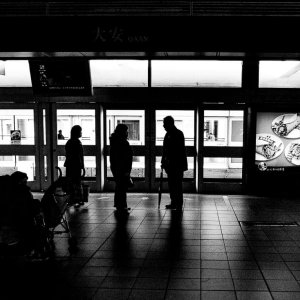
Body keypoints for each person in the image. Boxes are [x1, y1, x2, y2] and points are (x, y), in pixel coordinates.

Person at [10, 171, 47, 259]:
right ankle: (37, 252)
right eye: (24, 182)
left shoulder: (8, 191)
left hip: (15, 217)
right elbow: (29, 206)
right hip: (23, 219)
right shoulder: (23, 191)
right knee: (38, 229)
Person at [161, 116, 188, 211]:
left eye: (164, 124)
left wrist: (166, 160)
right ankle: (174, 202)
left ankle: (178, 203)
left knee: (176, 184)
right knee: (172, 184)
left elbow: (177, 151)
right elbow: (165, 150)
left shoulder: (176, 134)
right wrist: (163, 161)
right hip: (172, 165)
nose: (163, 126)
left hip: (177, 165)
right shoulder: (171, 134)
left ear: (170, 123)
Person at [110, 124, 133, 213]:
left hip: (116, 167)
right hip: (122, 168)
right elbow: (126, 157)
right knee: (122, 187)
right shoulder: (122, 142)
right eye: (126, 131)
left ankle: (120, 204)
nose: (127, 133)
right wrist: (127, 171)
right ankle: (122, 205)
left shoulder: (115, 141)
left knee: (119, 186)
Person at [64, 125, 85, 206]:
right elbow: (79, 155)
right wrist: (82, 166)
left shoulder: (69, 142)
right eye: (80, 131)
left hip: (69, 165)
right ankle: (78, 199)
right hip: (76, 165)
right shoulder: (77, 143)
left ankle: (71, 199)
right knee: (77, 182)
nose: (81, 133)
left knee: (71, 182)